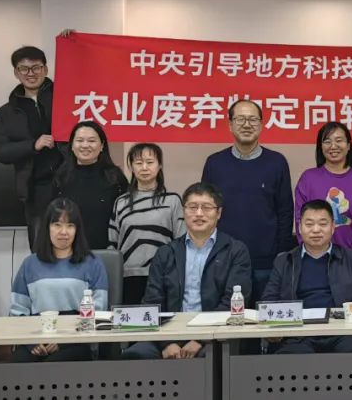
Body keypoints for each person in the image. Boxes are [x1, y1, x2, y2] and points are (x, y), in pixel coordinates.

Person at [123, 182, 252, 360]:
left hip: (214, 335)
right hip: (168, 333)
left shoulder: (235, 251)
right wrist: (167, 342)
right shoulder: (166, 253)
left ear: (219, 213)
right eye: (192, 207)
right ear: (184, 212)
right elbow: (152, 303)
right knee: (135, 354)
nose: (199, 213)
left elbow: (233, 302)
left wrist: (201, 339)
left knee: (212, 356)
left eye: (206, 207)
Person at [202, 99, 293, 306]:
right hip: (224, 260)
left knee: (265, 319)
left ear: (261, 125)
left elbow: (285, 211)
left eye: (252, 119)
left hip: (266, 262)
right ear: (230, 124)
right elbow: (205, 210)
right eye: (240, 119)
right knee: (226, 318)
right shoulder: (215, 163)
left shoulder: (277, 162)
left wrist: (281, 256)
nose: (246, 124)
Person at [261, 200, 352, 354]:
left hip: (343, 332)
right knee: (292, 358)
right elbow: (269, 299)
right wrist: (273, 327)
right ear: (300, 228)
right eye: (309, 224)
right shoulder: (284, 261)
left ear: (333, 227)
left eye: (323, 224)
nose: (316, 230)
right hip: (298, 335)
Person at [9, 198, 108, 362]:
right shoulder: (29, 264)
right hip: (36, 339)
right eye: (57, 225)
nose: (64, 232)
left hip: (76, 342)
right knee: (18, 364)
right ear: (47, 228)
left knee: (53, 366)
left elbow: (98, 312)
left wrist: (64, 340)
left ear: (77, 230)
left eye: (70, 226)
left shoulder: (93, 263)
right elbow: (17, 312)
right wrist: (31, 342)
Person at [0, 46, 62, 250]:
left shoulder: (65, 98)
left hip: (70, 181)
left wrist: (71, 40)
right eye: (24, 68)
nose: (31, 73)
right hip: (35, 189)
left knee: (79, 245)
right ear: (16, 72)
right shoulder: (7, 112)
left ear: (45, 69)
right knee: (40, 249)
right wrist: (32, 145)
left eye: (36, 67)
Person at [108, 143, 185, 305]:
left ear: (160, 165)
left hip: (163, 274)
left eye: (150, 162)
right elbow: (112, 244)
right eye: (138, 162)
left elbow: (181, 242)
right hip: (128, 276)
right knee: (131, 320)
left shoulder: (172, 200)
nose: (144, 167)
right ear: (131, 167)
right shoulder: (121, 202)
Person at [293, 122, 352, 258]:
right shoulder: (308, 178)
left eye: (339, 140)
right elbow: (300, 220)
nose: (333, 146)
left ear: (349, 145)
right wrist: (316, 254)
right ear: (320, 147)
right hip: (316, 258)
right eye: (327, 141)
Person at [53, 121, 128, 250]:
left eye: (92, 141)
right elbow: (52, 218)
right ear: (72, 145)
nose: (85, 145)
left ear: (102, 145)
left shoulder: (115, 177)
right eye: (80, 140)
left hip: (107, 252)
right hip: (69, 251)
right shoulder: (61, 177)